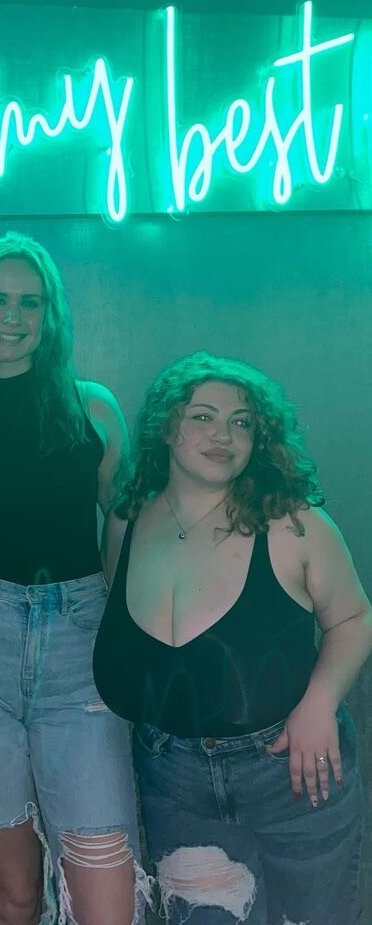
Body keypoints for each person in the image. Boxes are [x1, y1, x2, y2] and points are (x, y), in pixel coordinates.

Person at [0, 232, 149, 925]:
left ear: (51, 315)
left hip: (82, 643)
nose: (12, 317)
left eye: (30, 302)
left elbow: (128, 526)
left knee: (105, 890)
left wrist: (132, 626)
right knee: (12, 890)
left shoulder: (93, 407)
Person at [93, 351, 371, 925]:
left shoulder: (295, 523)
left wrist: (319, 705)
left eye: (241, 422)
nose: (223, 434)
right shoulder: (126, 521)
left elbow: (354, 618)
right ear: (166, 427)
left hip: (292, 770)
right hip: (173, 781)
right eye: (203, 416)